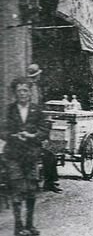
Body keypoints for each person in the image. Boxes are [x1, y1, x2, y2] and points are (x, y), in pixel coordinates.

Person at [3, 77, 50, 236]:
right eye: (19, 90)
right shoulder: (9, 110)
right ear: (15, 93)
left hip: (31, 156)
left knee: (31, 189)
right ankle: (18, 227)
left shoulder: (37, 110)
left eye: (25, 90)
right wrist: (14, 136)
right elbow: (2, 130)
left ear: (30, 93)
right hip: (14, 155)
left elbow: (44, 131)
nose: (22, 93)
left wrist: (32, 135)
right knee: (17, 189)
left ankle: (30, 225)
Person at [25, 64, 60, 194]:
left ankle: (50, 182)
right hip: (31, 133)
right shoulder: (32, 88)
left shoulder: (33, 87)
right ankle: (50, 182)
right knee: (50, 153)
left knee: (49, 152)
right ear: (36, 75)